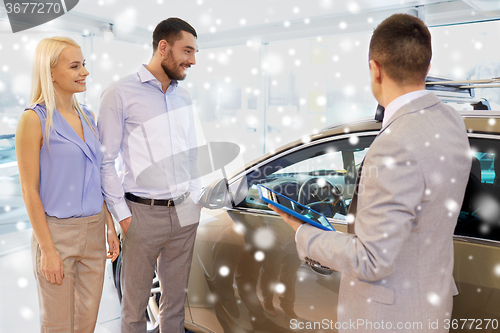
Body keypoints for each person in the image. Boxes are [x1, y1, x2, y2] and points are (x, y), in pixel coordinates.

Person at [270, 14, 471, 332]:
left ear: (375, 69)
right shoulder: (451, 120)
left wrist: (303, 232)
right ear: (426, 67)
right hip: (430, 304)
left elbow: (371, 259)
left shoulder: (395, 143)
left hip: (390, 319)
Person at [98, 18, 202, 332]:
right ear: (162, 47)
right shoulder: (120, 92)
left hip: (183, 212)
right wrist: (124, 217)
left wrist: (194, 201)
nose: (192, 60)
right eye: (187, 50)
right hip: (142, 213)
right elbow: (105, 162)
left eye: (195, 52)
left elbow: (192, 155)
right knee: (134, 310)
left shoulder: (184, 97)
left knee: (174, 309)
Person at [15, 36, 120, 333]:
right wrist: (47, 250)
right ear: (50, 73)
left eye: (83, 64)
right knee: (59, 326)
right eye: (74, 66)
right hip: (56, 235)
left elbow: (94, 176)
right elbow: (29, 191)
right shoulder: (33, 120)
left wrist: (110, 226)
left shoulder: (88, 116)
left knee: (86, 325)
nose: (84, 72)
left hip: (94, 231)